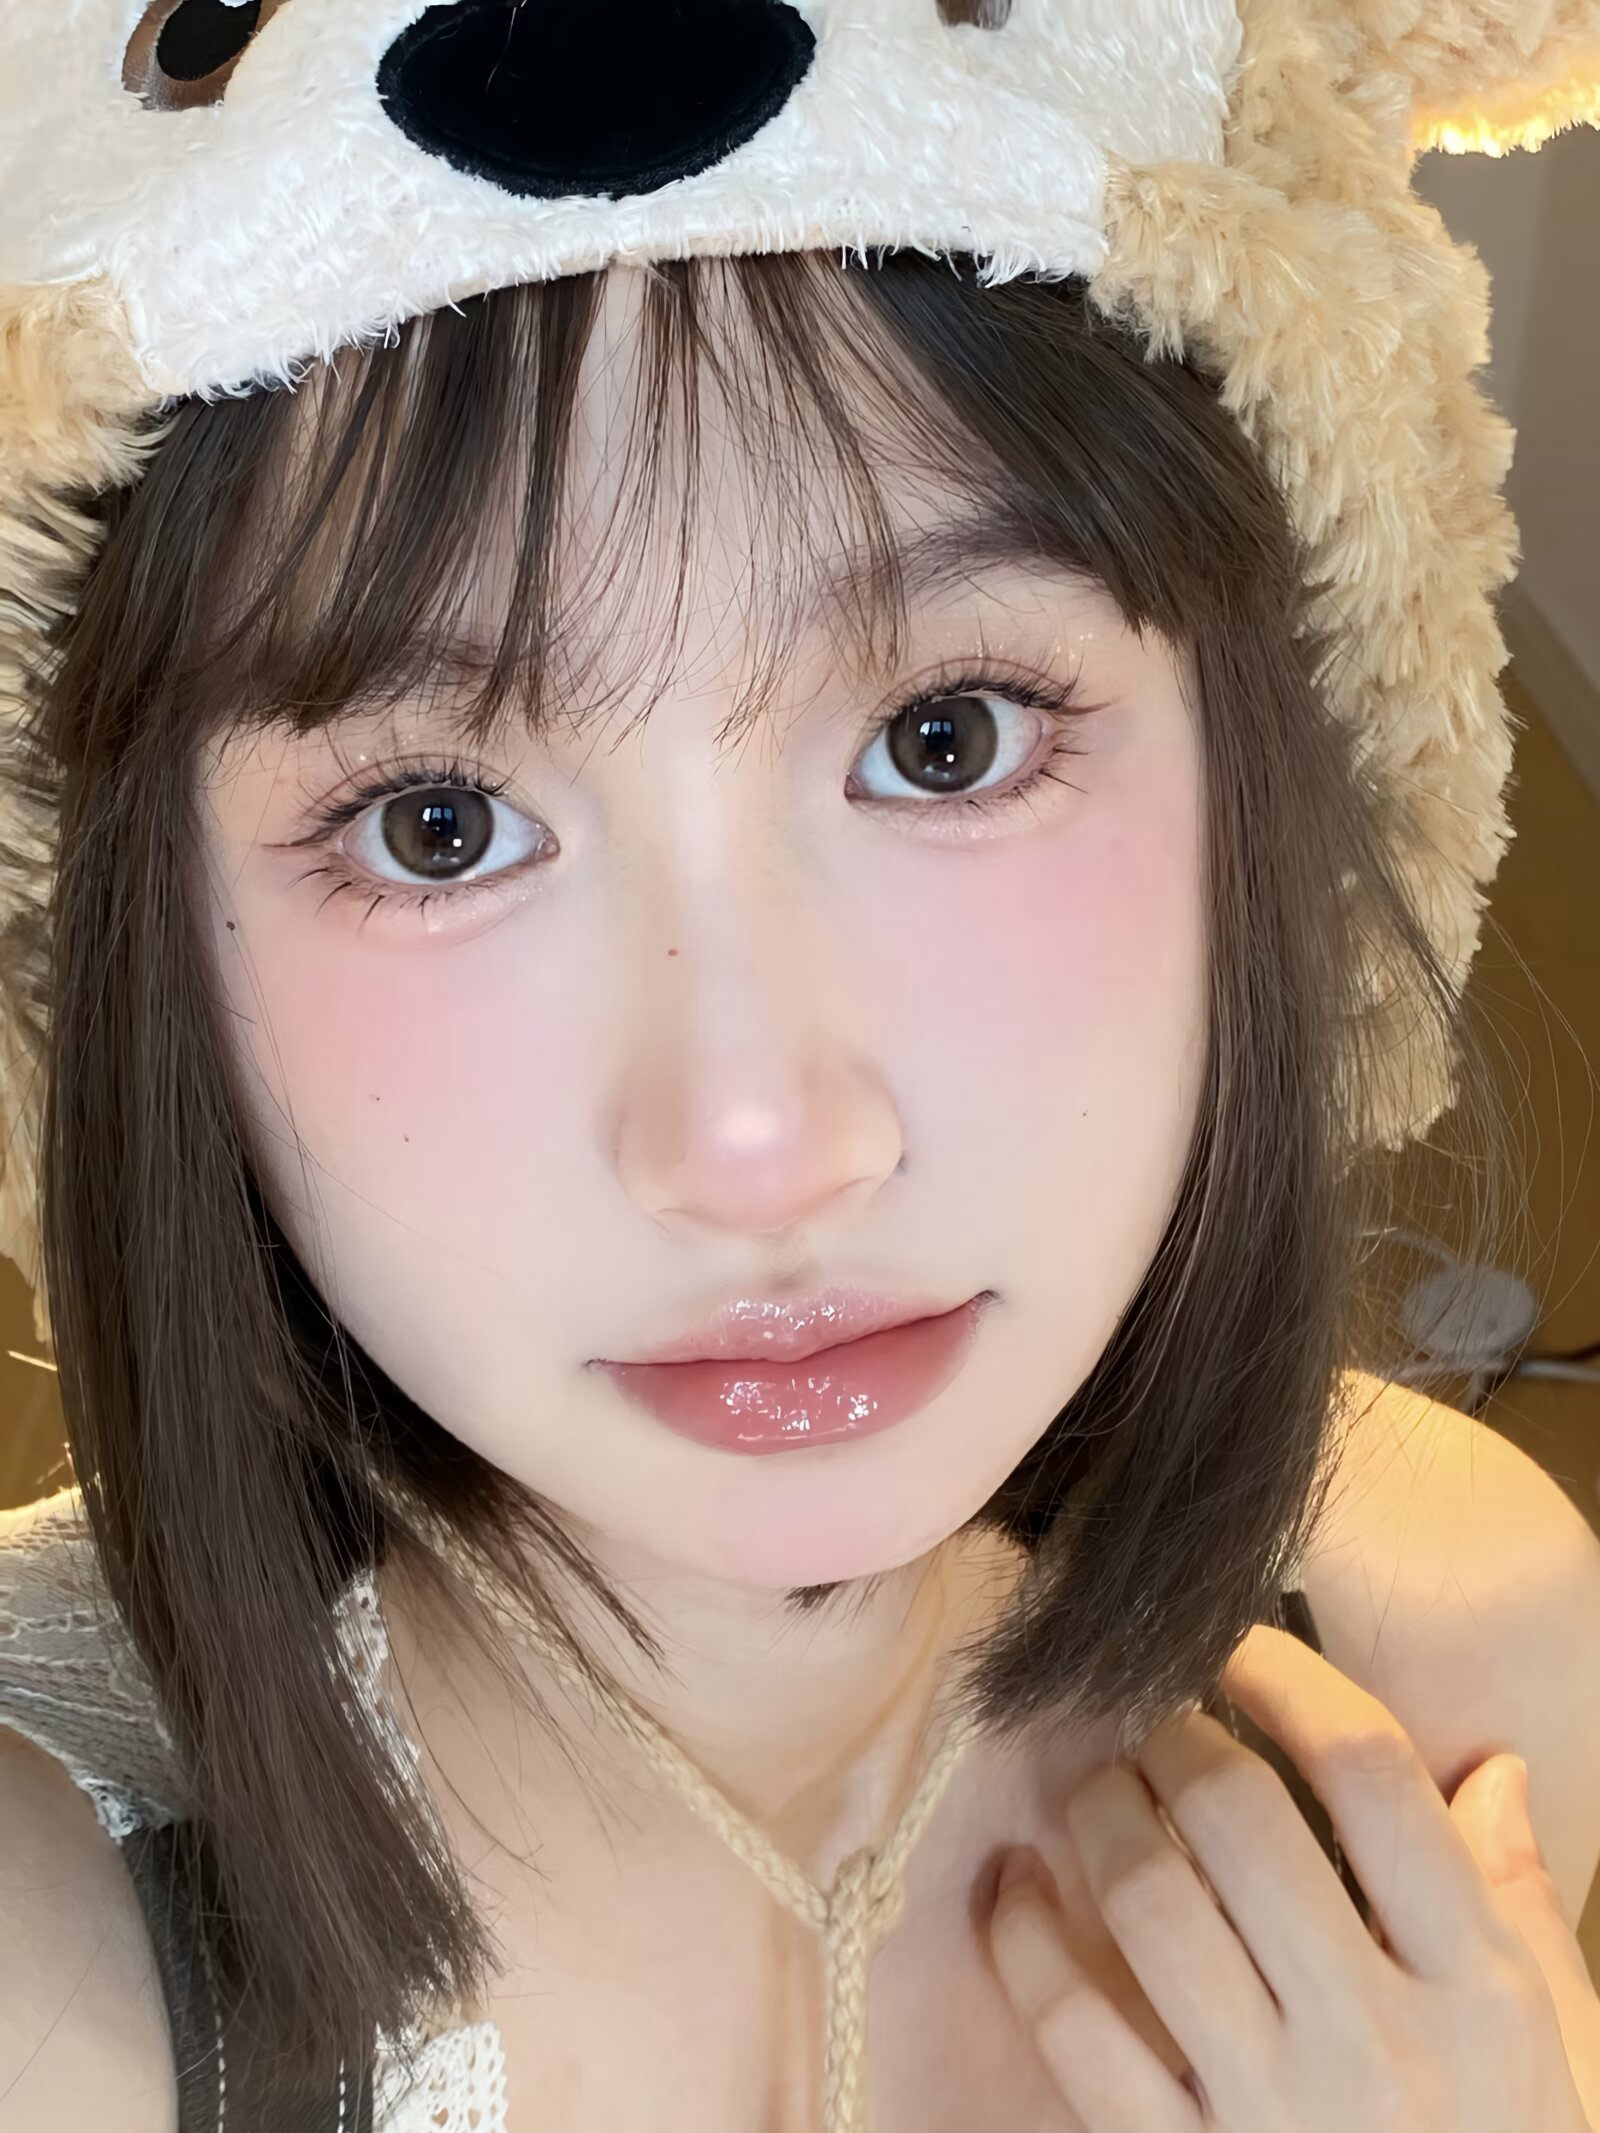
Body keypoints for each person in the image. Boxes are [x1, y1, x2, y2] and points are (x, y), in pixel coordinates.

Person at [0, 4, 1598, 2130]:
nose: (758, 1145)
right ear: (116, 955)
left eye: (944, 739)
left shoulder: (1442, 1655)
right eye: (438, 827)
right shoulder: (50, 1970)